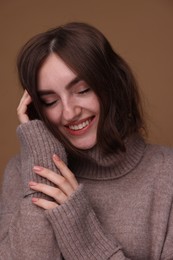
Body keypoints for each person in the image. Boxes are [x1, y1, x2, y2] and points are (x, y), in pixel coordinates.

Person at [0, 22, 173, 260]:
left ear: (112, 84)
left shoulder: (167, 174)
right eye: (50, 101)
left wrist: (80, 231)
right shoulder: (21, 172)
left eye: (82, 90)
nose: (69, 113)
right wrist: (42, 161)